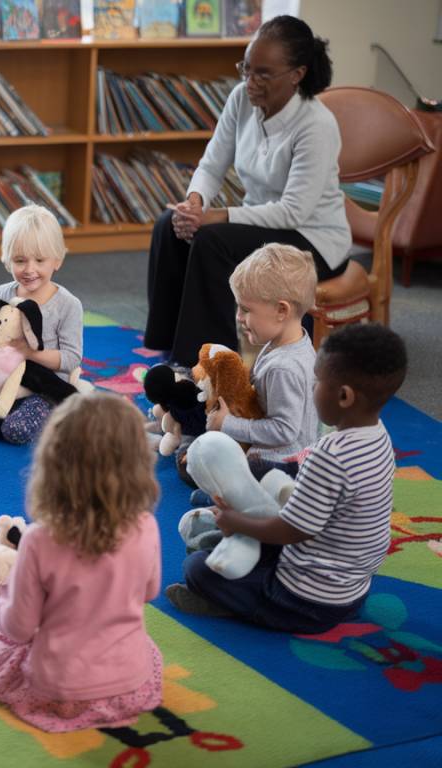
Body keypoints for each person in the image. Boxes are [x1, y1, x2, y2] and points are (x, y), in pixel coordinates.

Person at [166, 323, 408, 634]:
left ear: (344, 396)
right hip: (352, 587)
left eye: (316, 382)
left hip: (304, 599)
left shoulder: (330, 457)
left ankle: (236, 605)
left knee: (198, 569)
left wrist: (236, 522)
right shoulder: (379, 437)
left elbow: (290, 530)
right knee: (264, 477)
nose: (311, 389)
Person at [144, 15, 350, 367]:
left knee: (211, 240)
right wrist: (193, 205)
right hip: (262, 225)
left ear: (297, 74)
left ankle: (209, 366)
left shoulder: (316, 125)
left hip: (313, 239)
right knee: (170, 224)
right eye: (246, 69)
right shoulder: (242, 99)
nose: (250, 82)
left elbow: (292, 212)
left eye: (263, 74)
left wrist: (215, 216)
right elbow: (211, 164)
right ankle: (167, 346)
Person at [0, 391, 163, 732]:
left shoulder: (40, 539)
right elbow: (149, 592)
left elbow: (19, 628)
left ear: (54, 465)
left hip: (61, 690)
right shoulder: (146, 524)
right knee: (146, 647)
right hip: (132, 683)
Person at [0, 205, 84, 445]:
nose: (29, 269)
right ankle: (5, 407)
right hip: (1, 381)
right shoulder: (3, 293)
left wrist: (28, 352)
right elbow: (1, 334)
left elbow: (71, 358)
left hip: (44, 386)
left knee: (16, 431)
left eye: (40, 260)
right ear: (7, 260)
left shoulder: (68, 305)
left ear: (57, 260)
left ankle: (48, 412)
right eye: (20, 260)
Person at [194, 243, 319, 492]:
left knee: (200, 462)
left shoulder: (284, 368)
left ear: (281, 310)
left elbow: (284, 431)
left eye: (246, 309)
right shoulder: (288, 343)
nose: (239, 316)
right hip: (287, 454)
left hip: (283, 463)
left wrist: (228, 424)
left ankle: (237, 502)